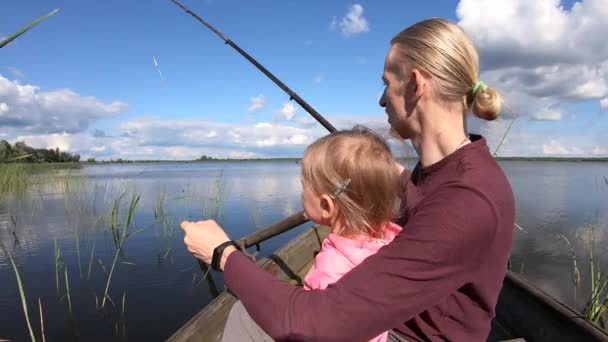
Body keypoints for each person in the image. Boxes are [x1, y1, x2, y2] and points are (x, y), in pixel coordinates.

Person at [181, 17, 515, 341]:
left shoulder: (469, 198)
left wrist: (224, 254)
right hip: (399, 319)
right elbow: (427, 213)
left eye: (387, 82)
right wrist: (392, 181)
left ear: (416, 84)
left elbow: (317, 324)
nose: (382, 99)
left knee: (248, 318)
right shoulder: (443, 172)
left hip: (407, 334)